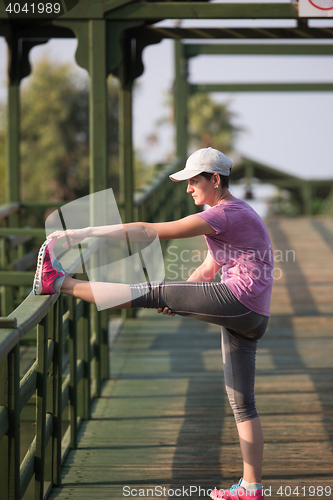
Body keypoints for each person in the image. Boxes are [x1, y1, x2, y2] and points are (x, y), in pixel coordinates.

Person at [33, 147, 273, 500]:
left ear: (216, 179)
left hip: (240, 301)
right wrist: (183, 299)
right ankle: (251, 487)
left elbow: (149, 230)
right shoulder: (231, 215)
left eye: (193, 181)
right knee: (243, 403)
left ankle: (59, 282)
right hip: (253, 315)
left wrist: (84, 232)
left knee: (153, 290)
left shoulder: (225, 215)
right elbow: (209, 269)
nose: (188, 188)